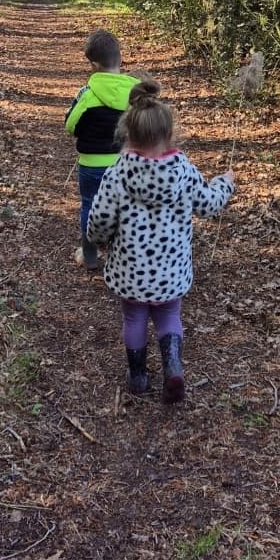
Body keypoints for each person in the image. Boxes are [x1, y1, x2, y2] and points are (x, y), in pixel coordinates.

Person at [86, 79, 235, 402]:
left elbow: (99, 220)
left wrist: (97, 242)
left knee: (134, 317)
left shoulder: (117, 174)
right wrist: (225, 184)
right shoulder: (184, 171)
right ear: (169, 135)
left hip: (131, 271)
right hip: (171, 270)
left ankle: (138, 377)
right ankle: (173, 368)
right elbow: (208, 204)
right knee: (169, 316)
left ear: (128, 133)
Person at [64, 29, 139, 271]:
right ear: (120, 59)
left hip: (91, 165)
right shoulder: (135, 94)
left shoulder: (87, 95)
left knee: (90, 204)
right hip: (125, 164)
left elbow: (70, 124)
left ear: (94, 65)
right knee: (124, 206)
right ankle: (121, 255)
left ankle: (90, 254)